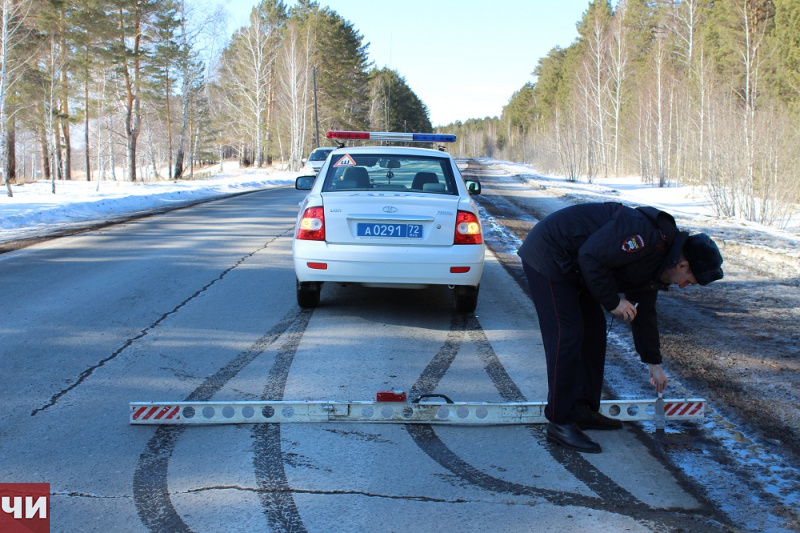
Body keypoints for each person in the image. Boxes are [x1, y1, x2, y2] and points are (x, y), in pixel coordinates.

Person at [517, 202, 723, 453]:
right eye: (688, 281)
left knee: (593, 332)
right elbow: (590, 256)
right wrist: (613, 300)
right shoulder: (645, 237)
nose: (683, 287)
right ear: (683, 265)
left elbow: (644, 311)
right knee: (567, 334)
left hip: (575, 265)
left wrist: (654, 364)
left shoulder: (659, 259)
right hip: (550, 252)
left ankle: (581, 409)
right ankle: (560, 421)